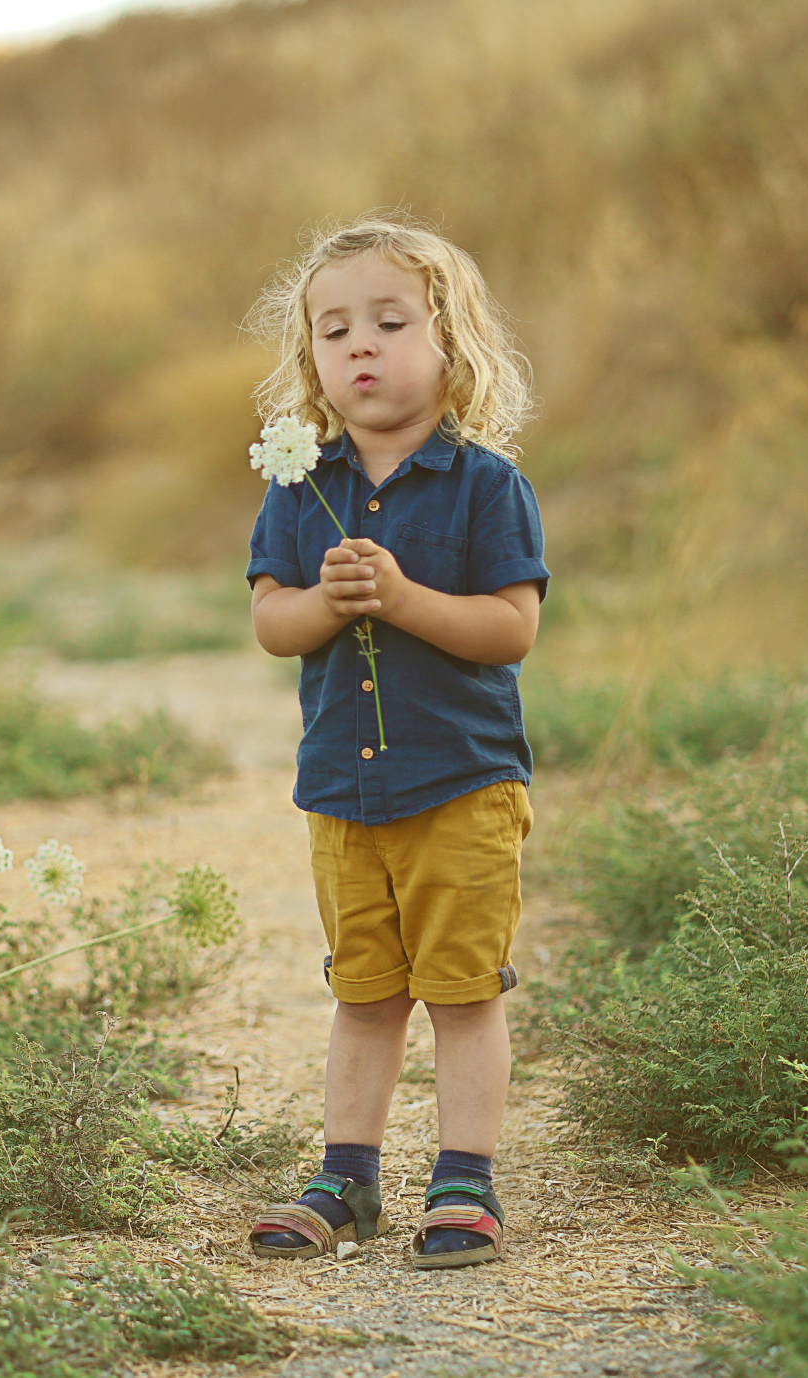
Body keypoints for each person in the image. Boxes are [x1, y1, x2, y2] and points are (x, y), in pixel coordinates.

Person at [243, 215, 545, 1269]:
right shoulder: (298, 484)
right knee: (364, 991)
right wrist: (323, 605)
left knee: (461, 989)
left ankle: (465, 1178)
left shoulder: (485, 484)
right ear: (312, 363)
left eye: (387, 321)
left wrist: (408, 598)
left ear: (449, 344)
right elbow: (271, 621)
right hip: (345, 793)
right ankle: (348, 1175)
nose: (359, 345)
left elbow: (511, 628)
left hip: (461, 784)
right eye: (334, 330)